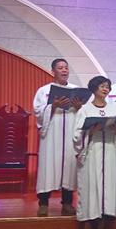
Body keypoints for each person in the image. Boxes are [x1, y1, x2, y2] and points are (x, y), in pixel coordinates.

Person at [73, 76, 116, 229]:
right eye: (102, 86)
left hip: (109, 151)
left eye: (107, 86)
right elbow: (76, 135)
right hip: (92, 152)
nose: (105, 89)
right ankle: (87, 227)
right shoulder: (85, 110)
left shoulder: (114, 109)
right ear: (94, 88)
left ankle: (102, 226)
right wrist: (90, 132)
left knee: (106, 190)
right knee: (90, 188)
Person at [33, 58, 83, 217]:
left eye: (66, 68)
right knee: (48, 167)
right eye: (60, 68)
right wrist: (53, 105)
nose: (64, 70)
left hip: (69, 132)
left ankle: (67, 203)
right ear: (53, 71)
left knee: (69, 166)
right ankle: (43, 203)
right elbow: (38, 112)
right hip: (51, 136)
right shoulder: (44, 90)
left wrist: (79, 107)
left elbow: (83, 112)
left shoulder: (76, 89)